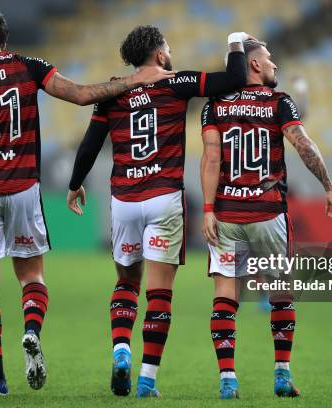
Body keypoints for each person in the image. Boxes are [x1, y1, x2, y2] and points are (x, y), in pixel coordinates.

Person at [0, 11, 174, 396]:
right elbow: (79, 95)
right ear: (4, 42)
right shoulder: (28, 66)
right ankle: (31, 330)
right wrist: (132, 80)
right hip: (23, 186)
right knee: (31, 277)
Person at [67, 25, 252, 397]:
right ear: (159, 54)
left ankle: (121, 347)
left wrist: (74, 184)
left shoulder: (113, 91)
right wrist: (235, 41)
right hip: (163, 197)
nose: (171, 53)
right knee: (160, 293)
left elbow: (90, 145)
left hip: (124, 201)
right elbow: (235, 77)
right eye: (167, 48)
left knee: (125, 282)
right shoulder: (177, 82)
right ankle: (147, 381)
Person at [200, 39, 332, 399]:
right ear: (255, 66)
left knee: (225, 295)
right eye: (269, 58)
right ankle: (281, 374)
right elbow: (304, 144)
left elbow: (211, 160)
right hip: (268, 213)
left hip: (228, 213)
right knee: (281, 294)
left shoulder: (214, 106)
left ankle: (227, 380)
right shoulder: (280, 103)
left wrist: (207, 209)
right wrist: (328, 187)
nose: (275, 64)